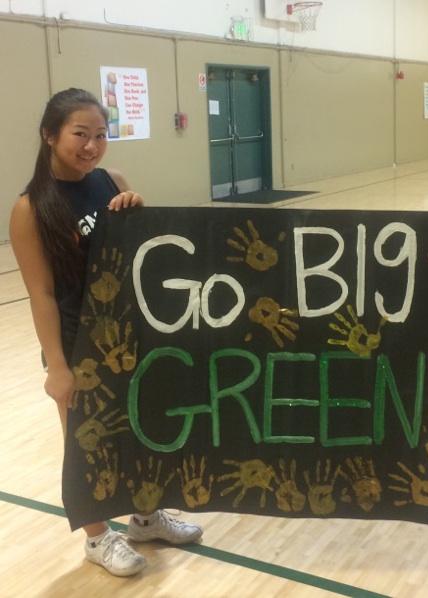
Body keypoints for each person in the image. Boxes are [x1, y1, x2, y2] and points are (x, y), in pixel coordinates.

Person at [9, 88, 203, 577]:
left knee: (139, 429)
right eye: (80, 134)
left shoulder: (111, 181)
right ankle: (98, 537)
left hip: (126, 334)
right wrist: (57, 366)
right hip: (76, 343)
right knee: (87, 442)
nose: (92, 145)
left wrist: (137, 211)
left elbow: (139, 257)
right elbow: (41, 294)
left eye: (101, 135)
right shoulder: (30, 209)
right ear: (50, 135)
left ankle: (144, 516)